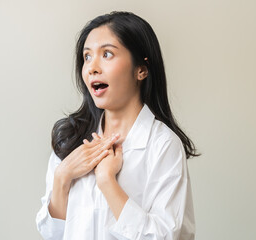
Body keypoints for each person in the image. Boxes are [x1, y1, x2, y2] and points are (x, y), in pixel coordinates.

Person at [36, 11, 200, 240]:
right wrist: (62, 178)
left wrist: (107, 182)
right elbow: (52, 235)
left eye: (107, 54)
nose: (92, 67)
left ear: (141, 69)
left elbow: (166, 236)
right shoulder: (71, 139)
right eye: (87, 57)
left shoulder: (162, 145)